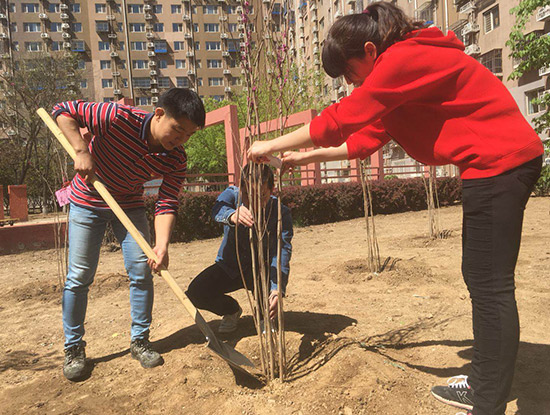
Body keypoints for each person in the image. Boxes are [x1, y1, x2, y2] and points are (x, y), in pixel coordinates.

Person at [248, 3, 543, 415]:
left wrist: (272, 144)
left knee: (490, 284)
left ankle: (486, 397)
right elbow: (362, 139)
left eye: (350, 73)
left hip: (499, 164)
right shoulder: (404, 74)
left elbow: (343, 117)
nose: (351, 84)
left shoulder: (403, 58)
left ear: (370, 51)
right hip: (496, 164)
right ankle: (484, 377)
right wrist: (302, 159)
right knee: (481, 277)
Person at [53, 88, 206, 381]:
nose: (181, 140)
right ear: (159, 114)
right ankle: (73, 348)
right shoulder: (117, 117)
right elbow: (62, 109)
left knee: (142, 270)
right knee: (79, 276)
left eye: (188, 135)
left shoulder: (176, 158)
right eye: (178, 130)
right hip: (88, 199)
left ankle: (140, 340)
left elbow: (167, 201)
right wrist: (81, 150)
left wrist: (161, 246)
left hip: (130, 204)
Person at [186, 163, 293, 334]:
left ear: (271, 190)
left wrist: (277, 288)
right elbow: (217, 210)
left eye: (262, 196)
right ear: (240, 187)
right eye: (247, 196)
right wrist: (231, 215)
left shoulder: (281, 213)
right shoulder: (231, 195)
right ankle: (231, 310)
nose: (253, 203)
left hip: (261, 271)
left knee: (269, 296)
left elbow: (282, 251)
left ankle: (264, 316)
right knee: (196, 292)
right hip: (229, 267)